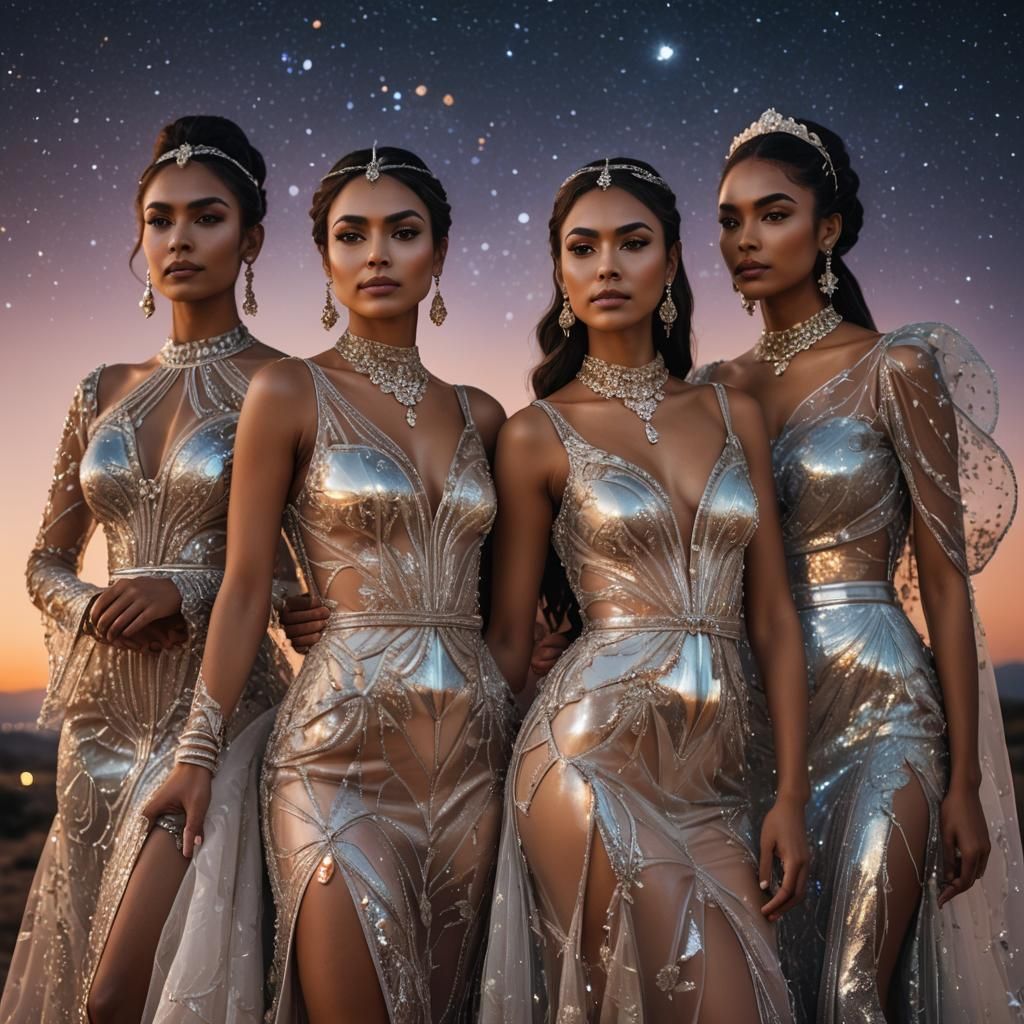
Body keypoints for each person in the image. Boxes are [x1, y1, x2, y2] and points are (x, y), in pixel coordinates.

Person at [142, 145, 515, 1024]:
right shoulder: (289, 390)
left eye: (403, 232)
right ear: (324, 259)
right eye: (352, 235)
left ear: (441, 253)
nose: (377, 254)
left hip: (474, 762)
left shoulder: (484, 414)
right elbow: (242, 586)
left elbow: (506, 598)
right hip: (336, 759)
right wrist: (198, 752)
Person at [698, 108, 1023, 1022]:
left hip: (885, 707)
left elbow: (949, 586)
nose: (745, 240)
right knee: (774, 986)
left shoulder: (897, 366)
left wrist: (963, 782)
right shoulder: (713, 388)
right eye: (729, 220)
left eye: (773, 213)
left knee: (853, 990)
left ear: (828, 228)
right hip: (754, 715)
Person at [481, 157, 809, 1023]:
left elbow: (771, 616)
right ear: (560, 272)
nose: (607, 267)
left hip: (722, 787)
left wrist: (791, 795)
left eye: (633, 243)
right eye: (581, 248)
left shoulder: (734, 411)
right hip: (591, 760)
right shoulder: (534, 435)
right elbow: (509, 637)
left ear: (670, 263)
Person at [0, 115, 293, 1024]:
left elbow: (310, 580)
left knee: (128, 996)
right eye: (160, 219)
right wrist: (93, 605)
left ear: (250, 239)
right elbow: (44, 559)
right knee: (90, 966)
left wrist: (189, 587)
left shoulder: (287, 386)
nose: (178, 239)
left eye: (206, 218)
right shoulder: (101, 390)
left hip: (217, 715)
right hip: (97, 735)